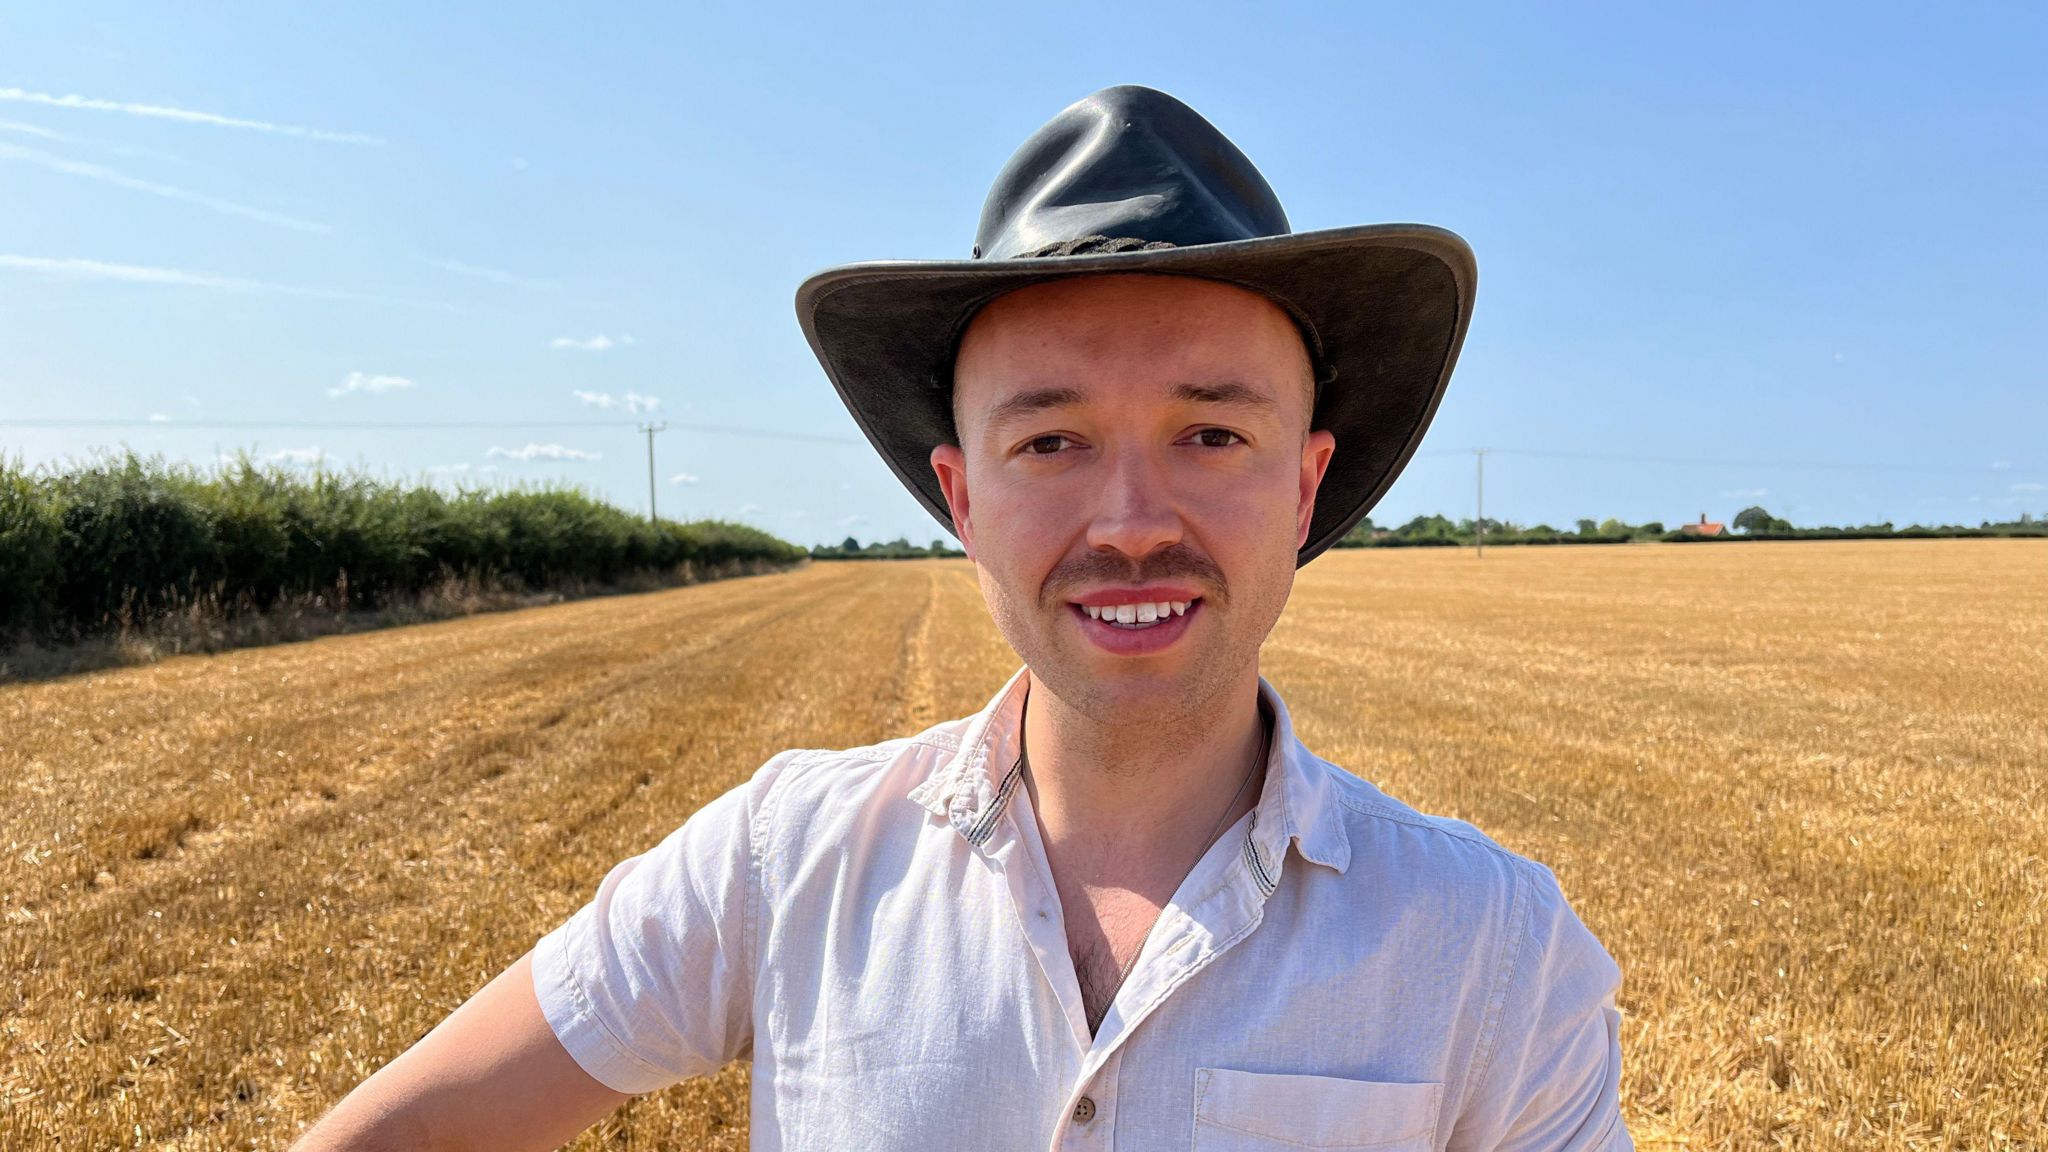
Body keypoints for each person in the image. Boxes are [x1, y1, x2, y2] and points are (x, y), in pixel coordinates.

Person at [294, 84, 1629, 1151]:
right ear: (961, 498)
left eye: (1209, 432)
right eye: (1050, 443)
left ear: (1304, 483)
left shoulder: (1494, 955)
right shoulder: (781, 863)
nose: (1128, 521)